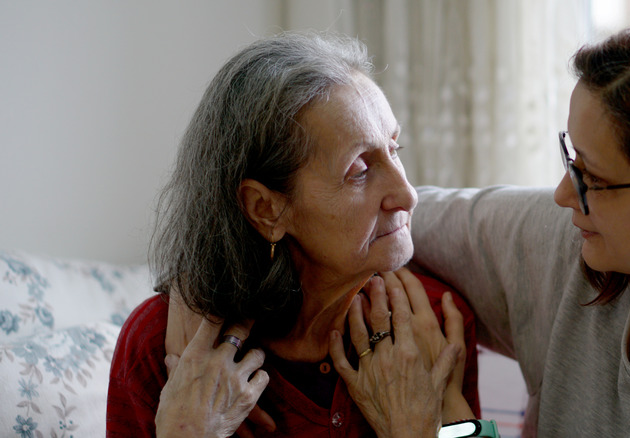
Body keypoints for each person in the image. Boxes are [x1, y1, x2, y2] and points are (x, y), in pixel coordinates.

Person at [337, 9, 630, 437]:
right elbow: (379, 220)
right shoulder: (570, 243)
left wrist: (439, 423)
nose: (563, 195)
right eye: (571, 158)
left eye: (594, 178)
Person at [106, 31, 480, 437]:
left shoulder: (432, 325)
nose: (406, 194)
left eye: (395, 149)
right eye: (359, 170)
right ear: (266, 209)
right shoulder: (160, 349)